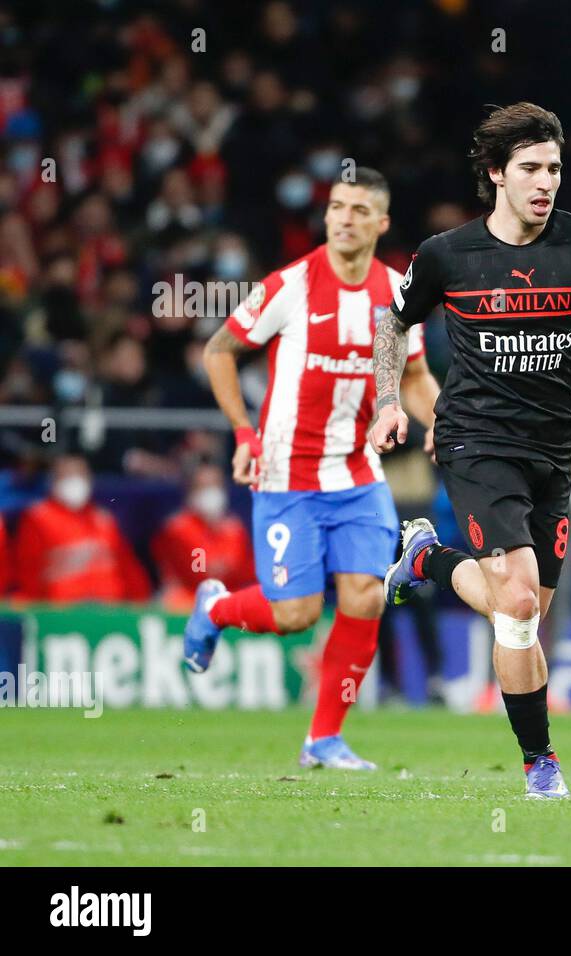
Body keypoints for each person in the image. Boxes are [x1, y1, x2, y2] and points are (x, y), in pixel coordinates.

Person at [368, 103, 571, 799]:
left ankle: (426, 559)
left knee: (524, 613)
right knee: (516, 604)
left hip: (555, 452)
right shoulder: (447, 254)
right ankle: (539, 762)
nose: (546, 182)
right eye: (530, 169)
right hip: (475, 442)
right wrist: (391, 399)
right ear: (495, 174)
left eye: (554, 168)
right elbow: (391, 322)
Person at [184, 168, 440, 770]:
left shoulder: (399, 296)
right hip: (287, 475)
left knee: (366, 596)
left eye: (358, 209)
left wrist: (445, 424)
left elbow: (415, 378)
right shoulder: (290, 286)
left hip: (357, 474)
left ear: (381, 223)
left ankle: (324, 739)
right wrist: (243, 431)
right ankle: (216, 607)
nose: (344, 218)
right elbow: (218, 350)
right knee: (296, 613)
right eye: (336, 207)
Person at [13, 453, 152, 603]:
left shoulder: (103, 518)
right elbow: (27, 571)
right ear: (54, 481)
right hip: (61, 611)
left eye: (80, 475)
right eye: (68, 475)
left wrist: (140, 601)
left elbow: (127, 567)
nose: (75, 481)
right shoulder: (38, 517)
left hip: (108, 610)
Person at [151, 461, 256, 611]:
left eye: (215, 486)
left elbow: (247, 570)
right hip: (187, 600)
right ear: (191, 491)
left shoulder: (233, 528)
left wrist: (225, 568)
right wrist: (225, 568)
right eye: (204, 487)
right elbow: (198, 571)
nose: (212, 493)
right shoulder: (178, 528)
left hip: (228, 599)